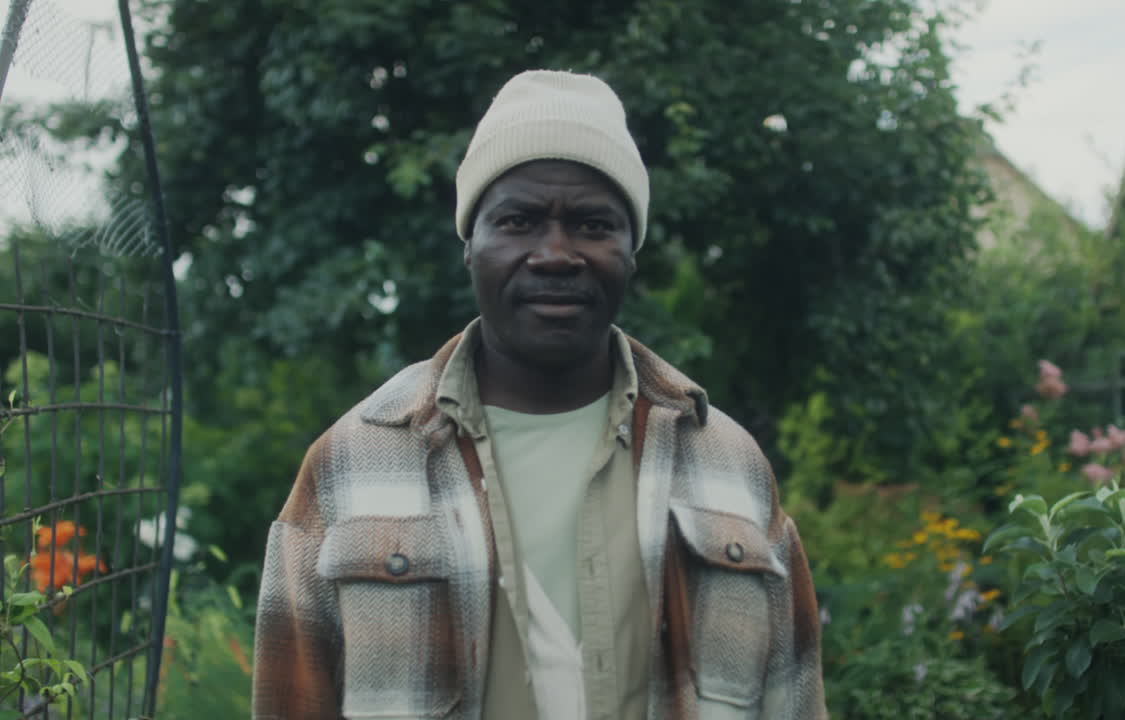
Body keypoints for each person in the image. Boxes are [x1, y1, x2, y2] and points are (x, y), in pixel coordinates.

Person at [251, 69, 826, 720]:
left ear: (630, 252)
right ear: (471, 246)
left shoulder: (729, 465)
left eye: (592, 224)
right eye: (518, 221)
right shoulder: (348, 466)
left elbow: (794, 700)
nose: (555, 254)